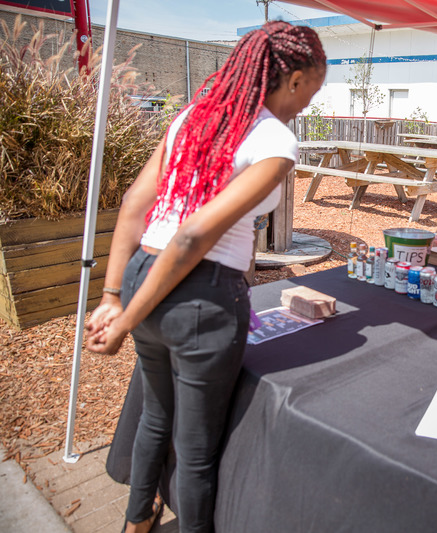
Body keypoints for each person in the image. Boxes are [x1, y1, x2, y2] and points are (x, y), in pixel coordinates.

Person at [85, 21, 326, 533]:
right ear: (297, 79)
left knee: (155, 413)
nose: (304, 107)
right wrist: (126, 318)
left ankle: (136, 522)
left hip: (142, 272)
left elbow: (134, 206)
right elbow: (194, 237)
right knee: (195, 453)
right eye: (310, 94)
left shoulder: (191, 118)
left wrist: (114, 296)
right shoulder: (274, 140)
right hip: (200, 295)